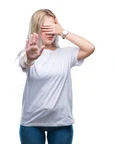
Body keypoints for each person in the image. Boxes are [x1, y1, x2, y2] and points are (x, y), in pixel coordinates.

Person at [17, 9, 95, 144]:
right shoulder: (29, 52)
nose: (50, 32)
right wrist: (30, 58)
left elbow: (90, 48)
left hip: (61, 122)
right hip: (32, 122)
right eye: (45, 28)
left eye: (53, 28)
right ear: (36, 28)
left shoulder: (66, 54)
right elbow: (24, 63)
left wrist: (63, 31)